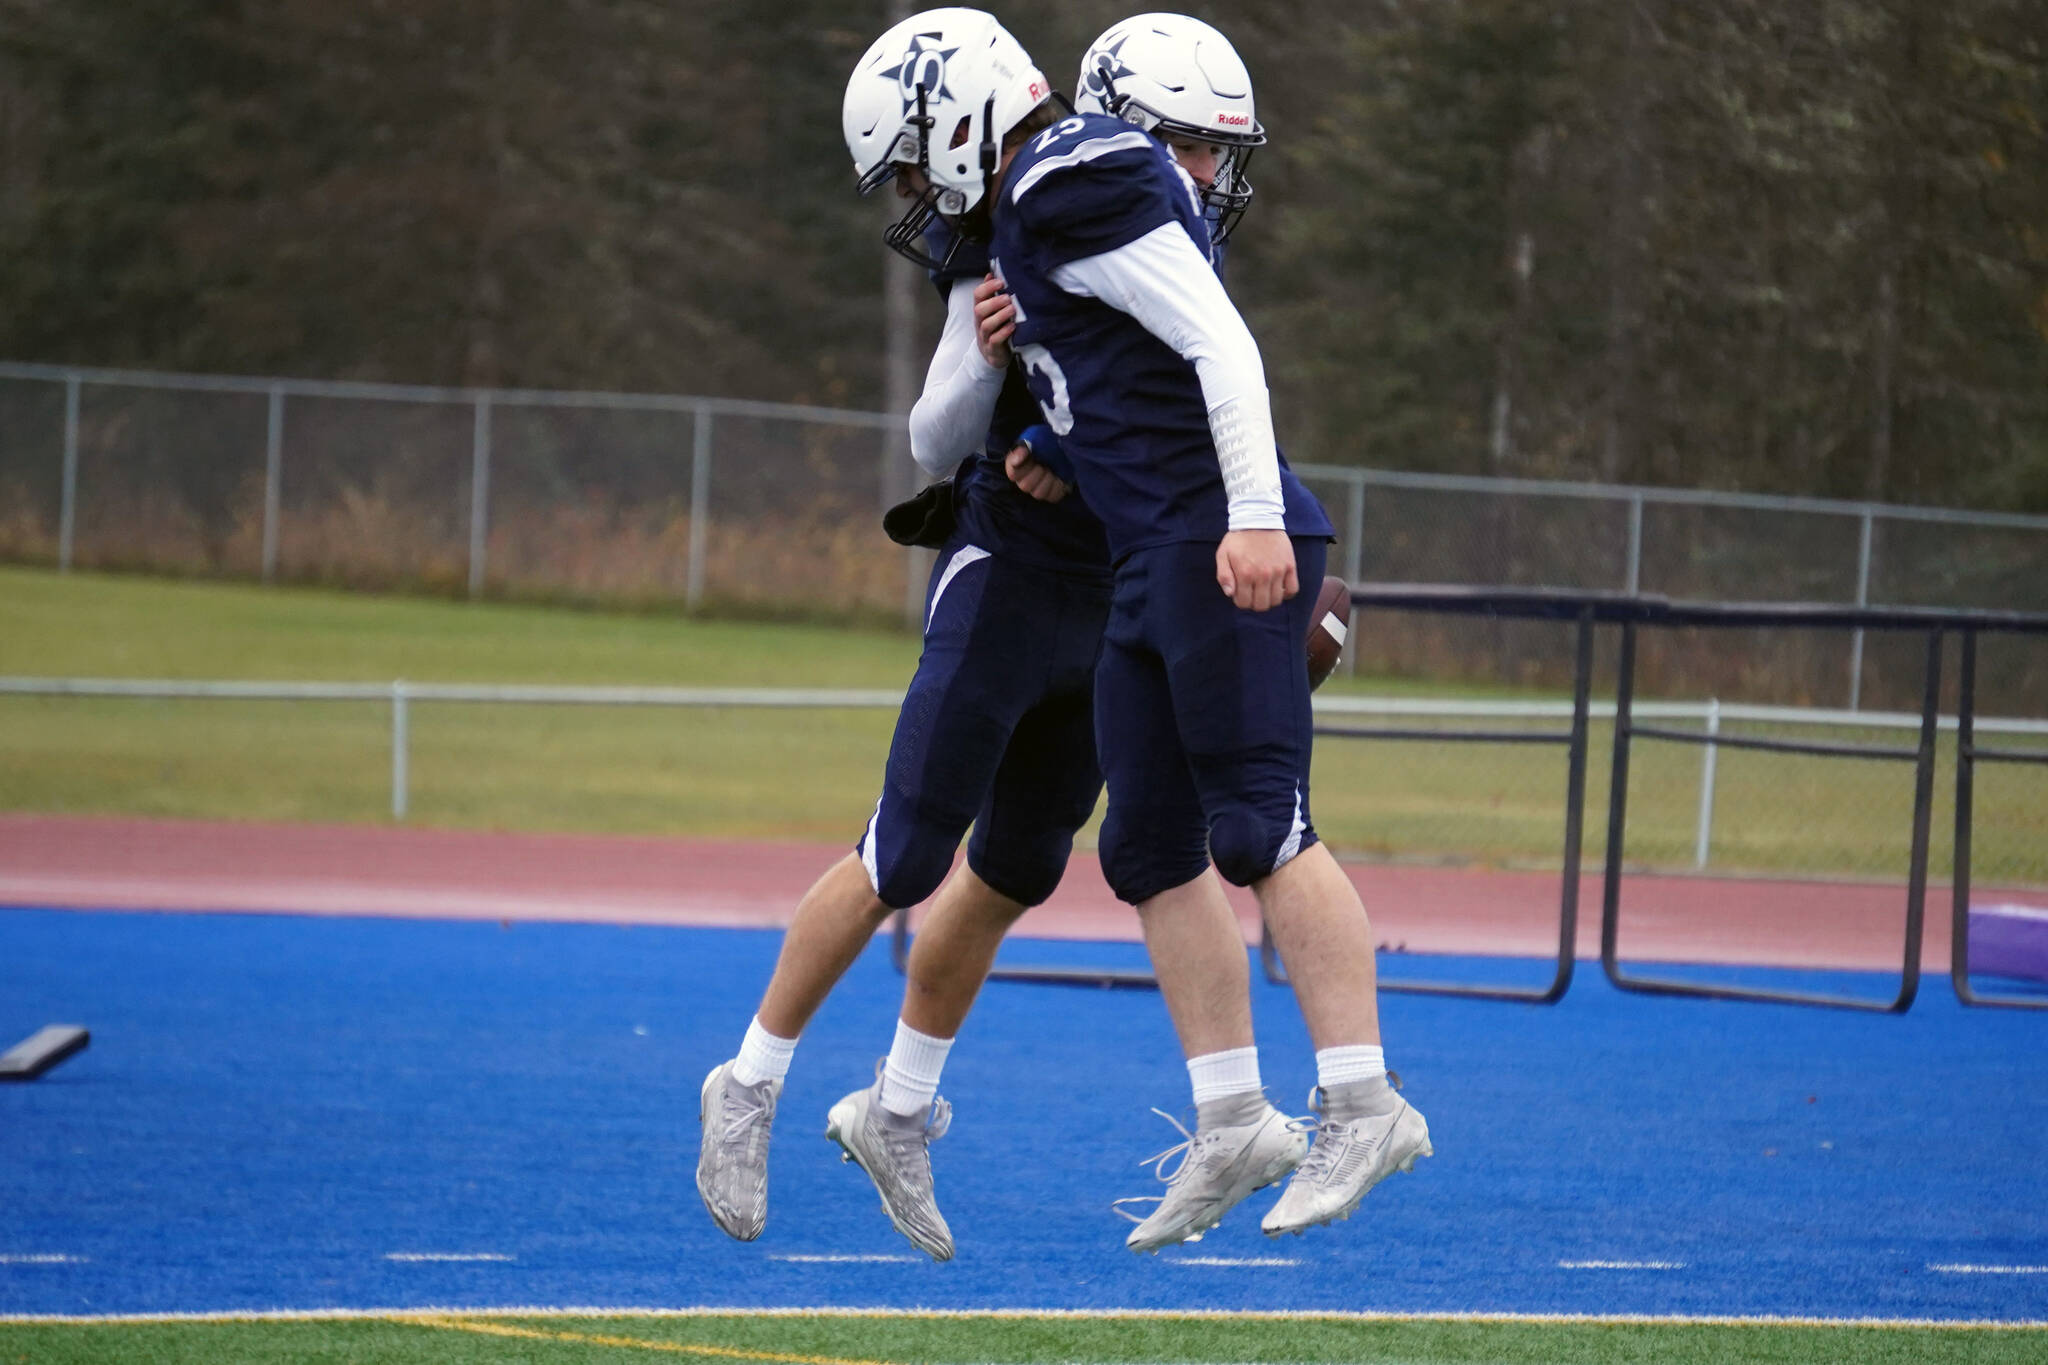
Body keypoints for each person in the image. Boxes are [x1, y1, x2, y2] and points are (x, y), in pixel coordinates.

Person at [844, 8, 1433, 1251]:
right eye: (1190, 145)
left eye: (1216, 151)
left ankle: (1363, 1100)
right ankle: (1233, 1117)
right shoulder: (1037, 212)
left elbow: (1220, 345)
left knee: (1259, 826)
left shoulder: (1074, 176)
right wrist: (1047, 444)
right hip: (1146, 556)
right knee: (1148, 852)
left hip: (1216, 541)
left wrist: (1262, 521)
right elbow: (1107, 375)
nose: (1205, 175)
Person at [697, 7, 1263, 1263]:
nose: (1206, 176)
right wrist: (996, 347)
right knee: (902, 851)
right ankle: (747, 1081)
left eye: (911, 164)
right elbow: (934, 435)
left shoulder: (1111, 213)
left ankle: (897, 1112)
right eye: (1194, 147)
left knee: (1015, 870)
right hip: (1007, 577)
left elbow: (1182, 400)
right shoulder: (1015, 227)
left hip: (1109, 588)